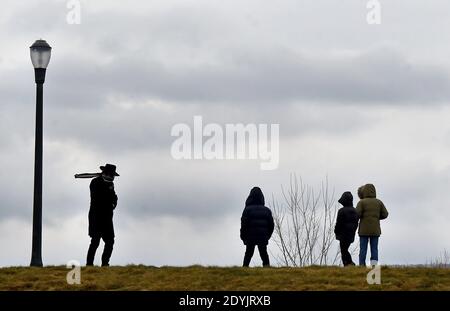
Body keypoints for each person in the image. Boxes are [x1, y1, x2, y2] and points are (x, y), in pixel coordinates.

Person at [86, 164, 119, 266]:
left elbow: (114, 197)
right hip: (96, 217)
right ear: (106, 173)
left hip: (108, 218)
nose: (113, 177)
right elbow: (99, 198)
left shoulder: (110, 184)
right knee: (95, 241)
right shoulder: (95, 182)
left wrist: (114, 203)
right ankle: (89, 265)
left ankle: (105, 264)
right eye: (111, 175)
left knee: (110, 242)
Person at [240, 187, 274, 267]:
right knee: (264, 254)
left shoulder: (247, 210)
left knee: (248, 254)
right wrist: (267, 236)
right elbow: (271, 226)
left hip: (250, 237)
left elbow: (244, 224)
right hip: (262, 236)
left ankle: (244, 270)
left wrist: (243, 236)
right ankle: (267, 270)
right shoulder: (267, 211)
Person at [356, 183, 388, 266]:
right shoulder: (379, 202)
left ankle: (361, 266)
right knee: (374, 249)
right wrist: (376, 217)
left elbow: (357, 214)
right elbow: (385, 214)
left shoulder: (361, 202)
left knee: (363, 249)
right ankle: (374, 266)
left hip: (363, 230)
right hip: (375, 230)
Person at [334, 191, 359, 266]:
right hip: (351, 234)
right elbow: (356, 223)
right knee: (345, 249)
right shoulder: (355, 211)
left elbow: (339, 223)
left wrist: (336, 231)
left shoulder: (341, 211)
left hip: (343, 234)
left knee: (343, 250)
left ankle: (349, 264)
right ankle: (349, 264)